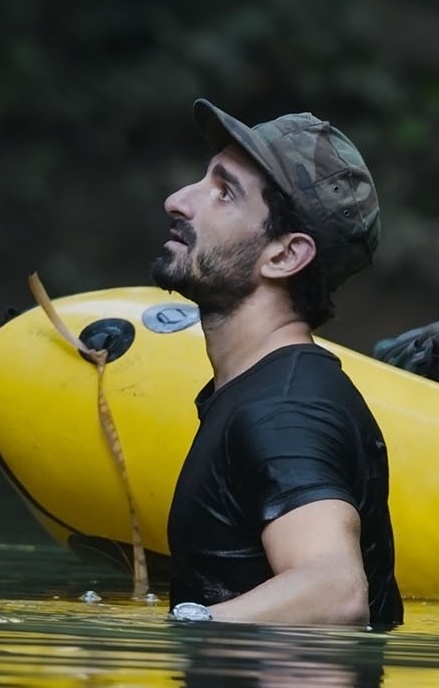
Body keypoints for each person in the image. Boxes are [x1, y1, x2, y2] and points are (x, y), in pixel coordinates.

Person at [150, 98, 403, 628]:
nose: (178, 200)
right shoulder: (264, 391)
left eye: (224, 194)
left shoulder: (282, 411)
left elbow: (335, 591)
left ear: (285, 255)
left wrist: (182, 630)